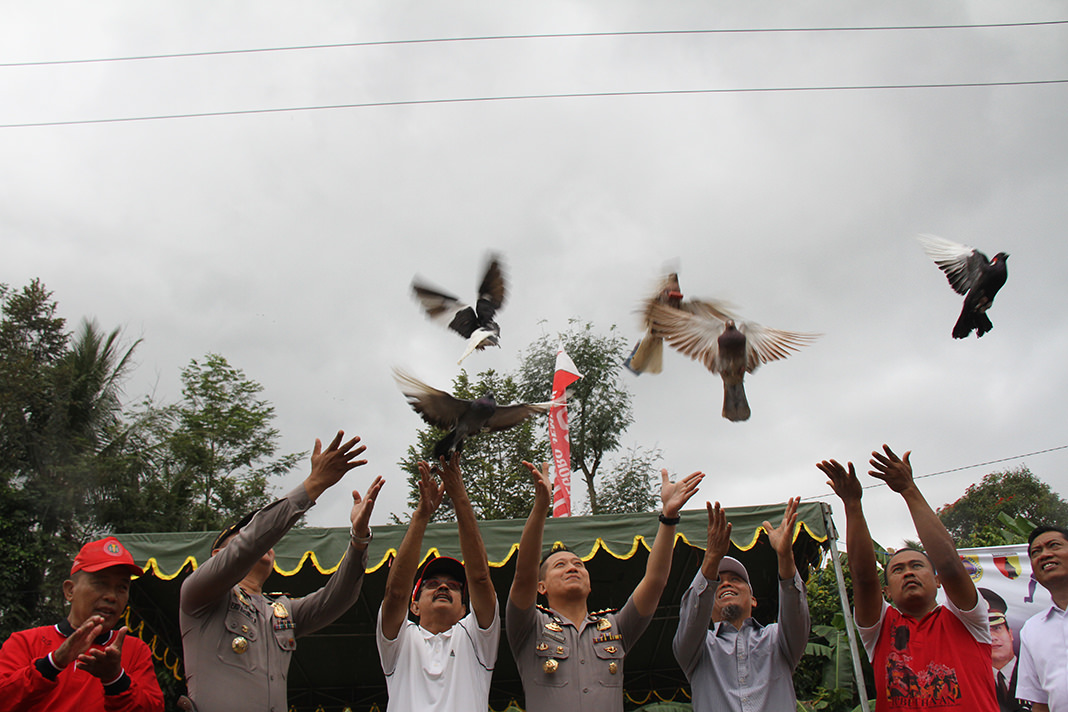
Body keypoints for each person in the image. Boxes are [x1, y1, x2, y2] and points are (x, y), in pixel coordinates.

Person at [179, 430, 382, 712]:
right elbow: (250, 544)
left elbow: (337, 600)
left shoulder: (280, 612)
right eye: (243, 532)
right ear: (217, 555)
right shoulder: (200, 594)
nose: (260, 540)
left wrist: (359, 540)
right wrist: (313, 484)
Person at [507, 460, 703, 712]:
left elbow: (655, 582)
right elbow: (523, 576)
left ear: (590, 585)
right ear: (541, 587)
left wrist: (669, 517)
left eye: (578, 564)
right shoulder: (529, 627)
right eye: (560, 565)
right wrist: (540, 508)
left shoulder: (615, 627)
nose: (572, 567)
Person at [818, 444, 997, 712]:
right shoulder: (879, 630)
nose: (909, 572)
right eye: (898, 570)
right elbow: (864, 578)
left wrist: (908, 489)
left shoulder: (969, 619)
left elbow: (949, 563)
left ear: (938, 581)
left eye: (917, 565)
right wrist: (852, 504)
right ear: (887, 591)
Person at [375, 454, 499, 711]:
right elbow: (396, 593)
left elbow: (479, 577)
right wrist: (422, 514)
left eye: (454, 586)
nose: (444, 587)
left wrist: (459, 497)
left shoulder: (475, 638)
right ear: (415, 606)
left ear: (465, 610)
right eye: (432, 584)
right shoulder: (400, 641)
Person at [673, 496, 809, 711]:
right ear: (708, 601)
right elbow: (690, 617)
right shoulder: (699, 648)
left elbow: (796, 612)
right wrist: (711, 558)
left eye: (736, 579)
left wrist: (785, 557)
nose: (726, 583)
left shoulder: (776, 639)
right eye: (718, 581)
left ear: (753, 599)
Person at [0, 536, 165, 712]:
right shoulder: (26, 642)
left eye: (122, 588)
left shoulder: (135, 650)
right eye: (101, 584)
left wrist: (115, 679)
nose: (111, 596)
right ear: (70, 591)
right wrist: (53, 663)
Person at [1015, 525, 1068, 712]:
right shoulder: (1032, 629)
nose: (1044, 555)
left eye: (1054, 545)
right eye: (1036, 552)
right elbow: (1040, 702)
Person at [980, 588, 1030, 712]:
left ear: (1010, 634)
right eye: (984, 632)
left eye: (997, 628)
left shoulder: (1032, 669)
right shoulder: (973, 680)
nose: (992, 638)